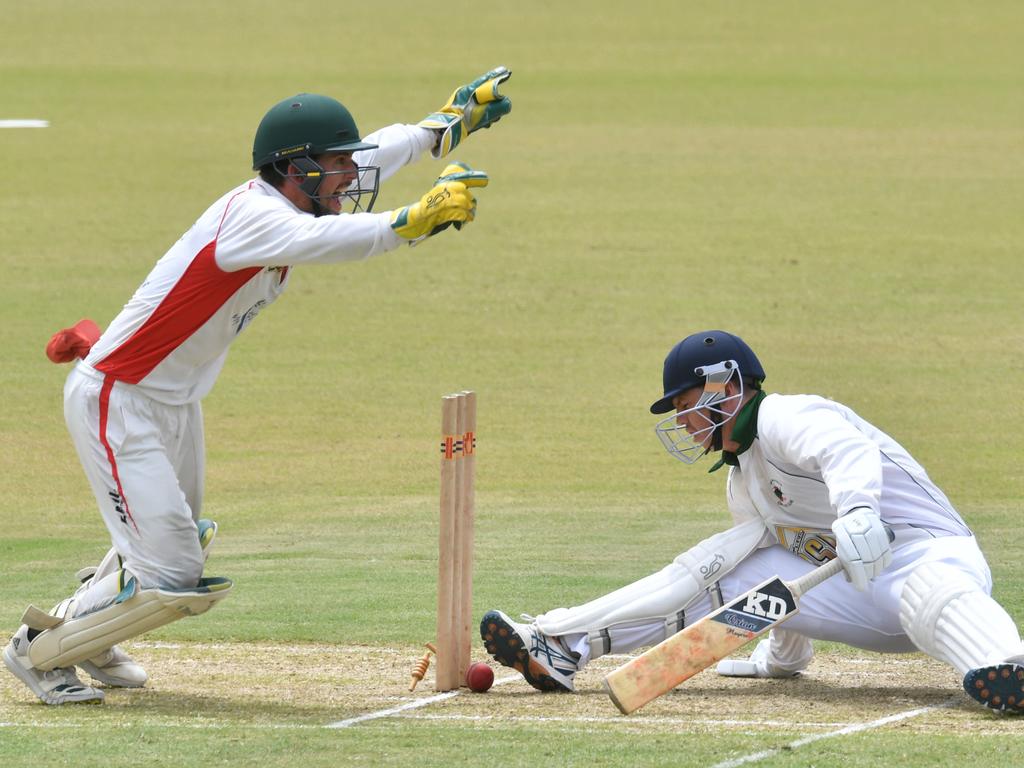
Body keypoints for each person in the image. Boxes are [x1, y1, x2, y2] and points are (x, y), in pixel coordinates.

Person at [5, 67, 513, 705]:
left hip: (173, 401)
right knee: (176, 572)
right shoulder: (255, 217)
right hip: (119, 399)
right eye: (336, 165)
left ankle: (87, 634)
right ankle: (38, 652)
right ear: (295, 169)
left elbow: (374, 155)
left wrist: (443, 128)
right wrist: (409, 221)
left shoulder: (294, 195)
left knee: (173, 548)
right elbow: (328, 240)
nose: (349, 177)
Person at [481, 330, 1024, 713]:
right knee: (723, 566)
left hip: (928, 555)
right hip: (859, 594)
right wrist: (782, 661)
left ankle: (1007, 666)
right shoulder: (743, 480)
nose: (684, 422)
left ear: (728, 386)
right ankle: (562, 645)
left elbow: (847, 450)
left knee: (930, 587)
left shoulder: (787, 416)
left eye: (688, 404)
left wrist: (858, 509)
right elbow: (781, 577)